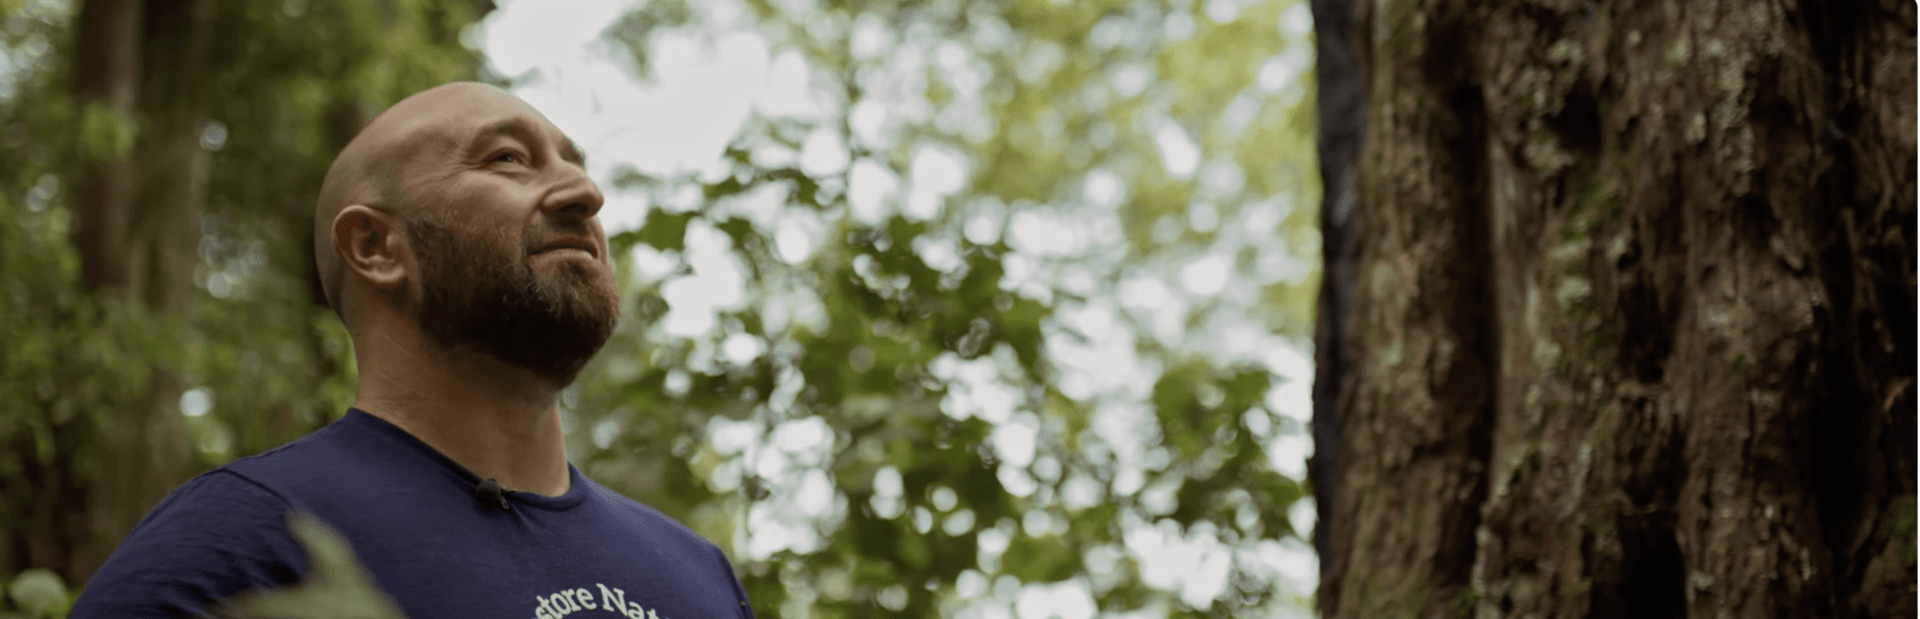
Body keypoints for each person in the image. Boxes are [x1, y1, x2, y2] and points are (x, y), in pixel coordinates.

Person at [68, 82, 755, 619]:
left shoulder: (699, 573)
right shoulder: (246, 539)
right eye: (508, 159)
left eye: (575, 164)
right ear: (376, 247)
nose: (586, 194)